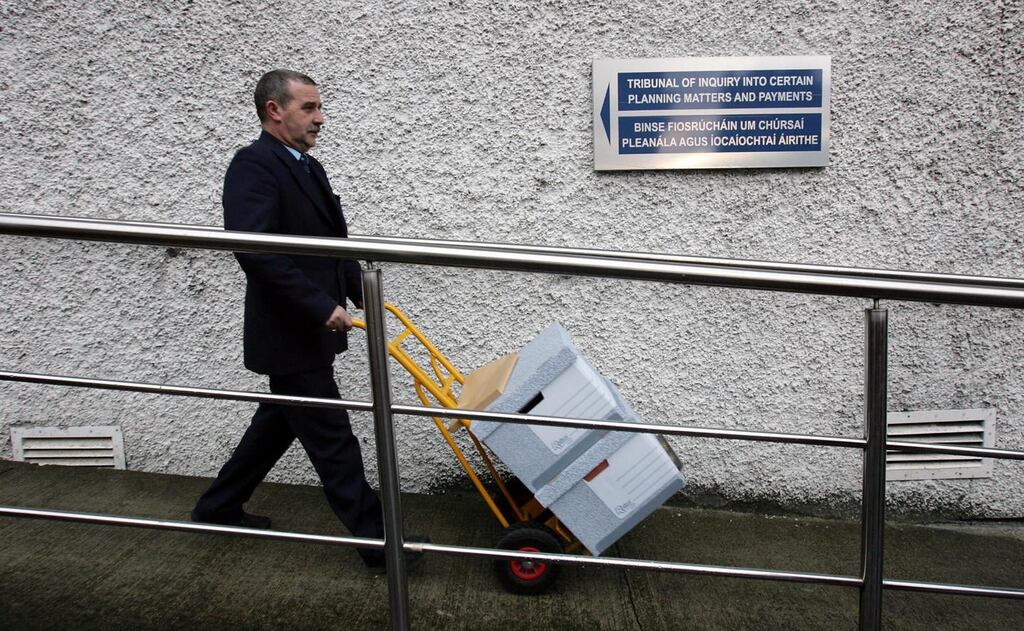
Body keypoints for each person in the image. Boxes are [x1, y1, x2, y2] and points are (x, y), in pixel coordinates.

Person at [191, 69, 389, 570]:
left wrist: (353, 286)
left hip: (311, 329)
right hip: (290, 332)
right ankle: (381, 541)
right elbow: (257, 252)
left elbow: (327, 240)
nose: (320, 118)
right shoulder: (254, 165)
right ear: (274, 110)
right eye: (309, 108)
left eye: (319, 107)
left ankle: (218, 507)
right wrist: (320, 306)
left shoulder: (306, 165)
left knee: (277, 424)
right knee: (332, 439)